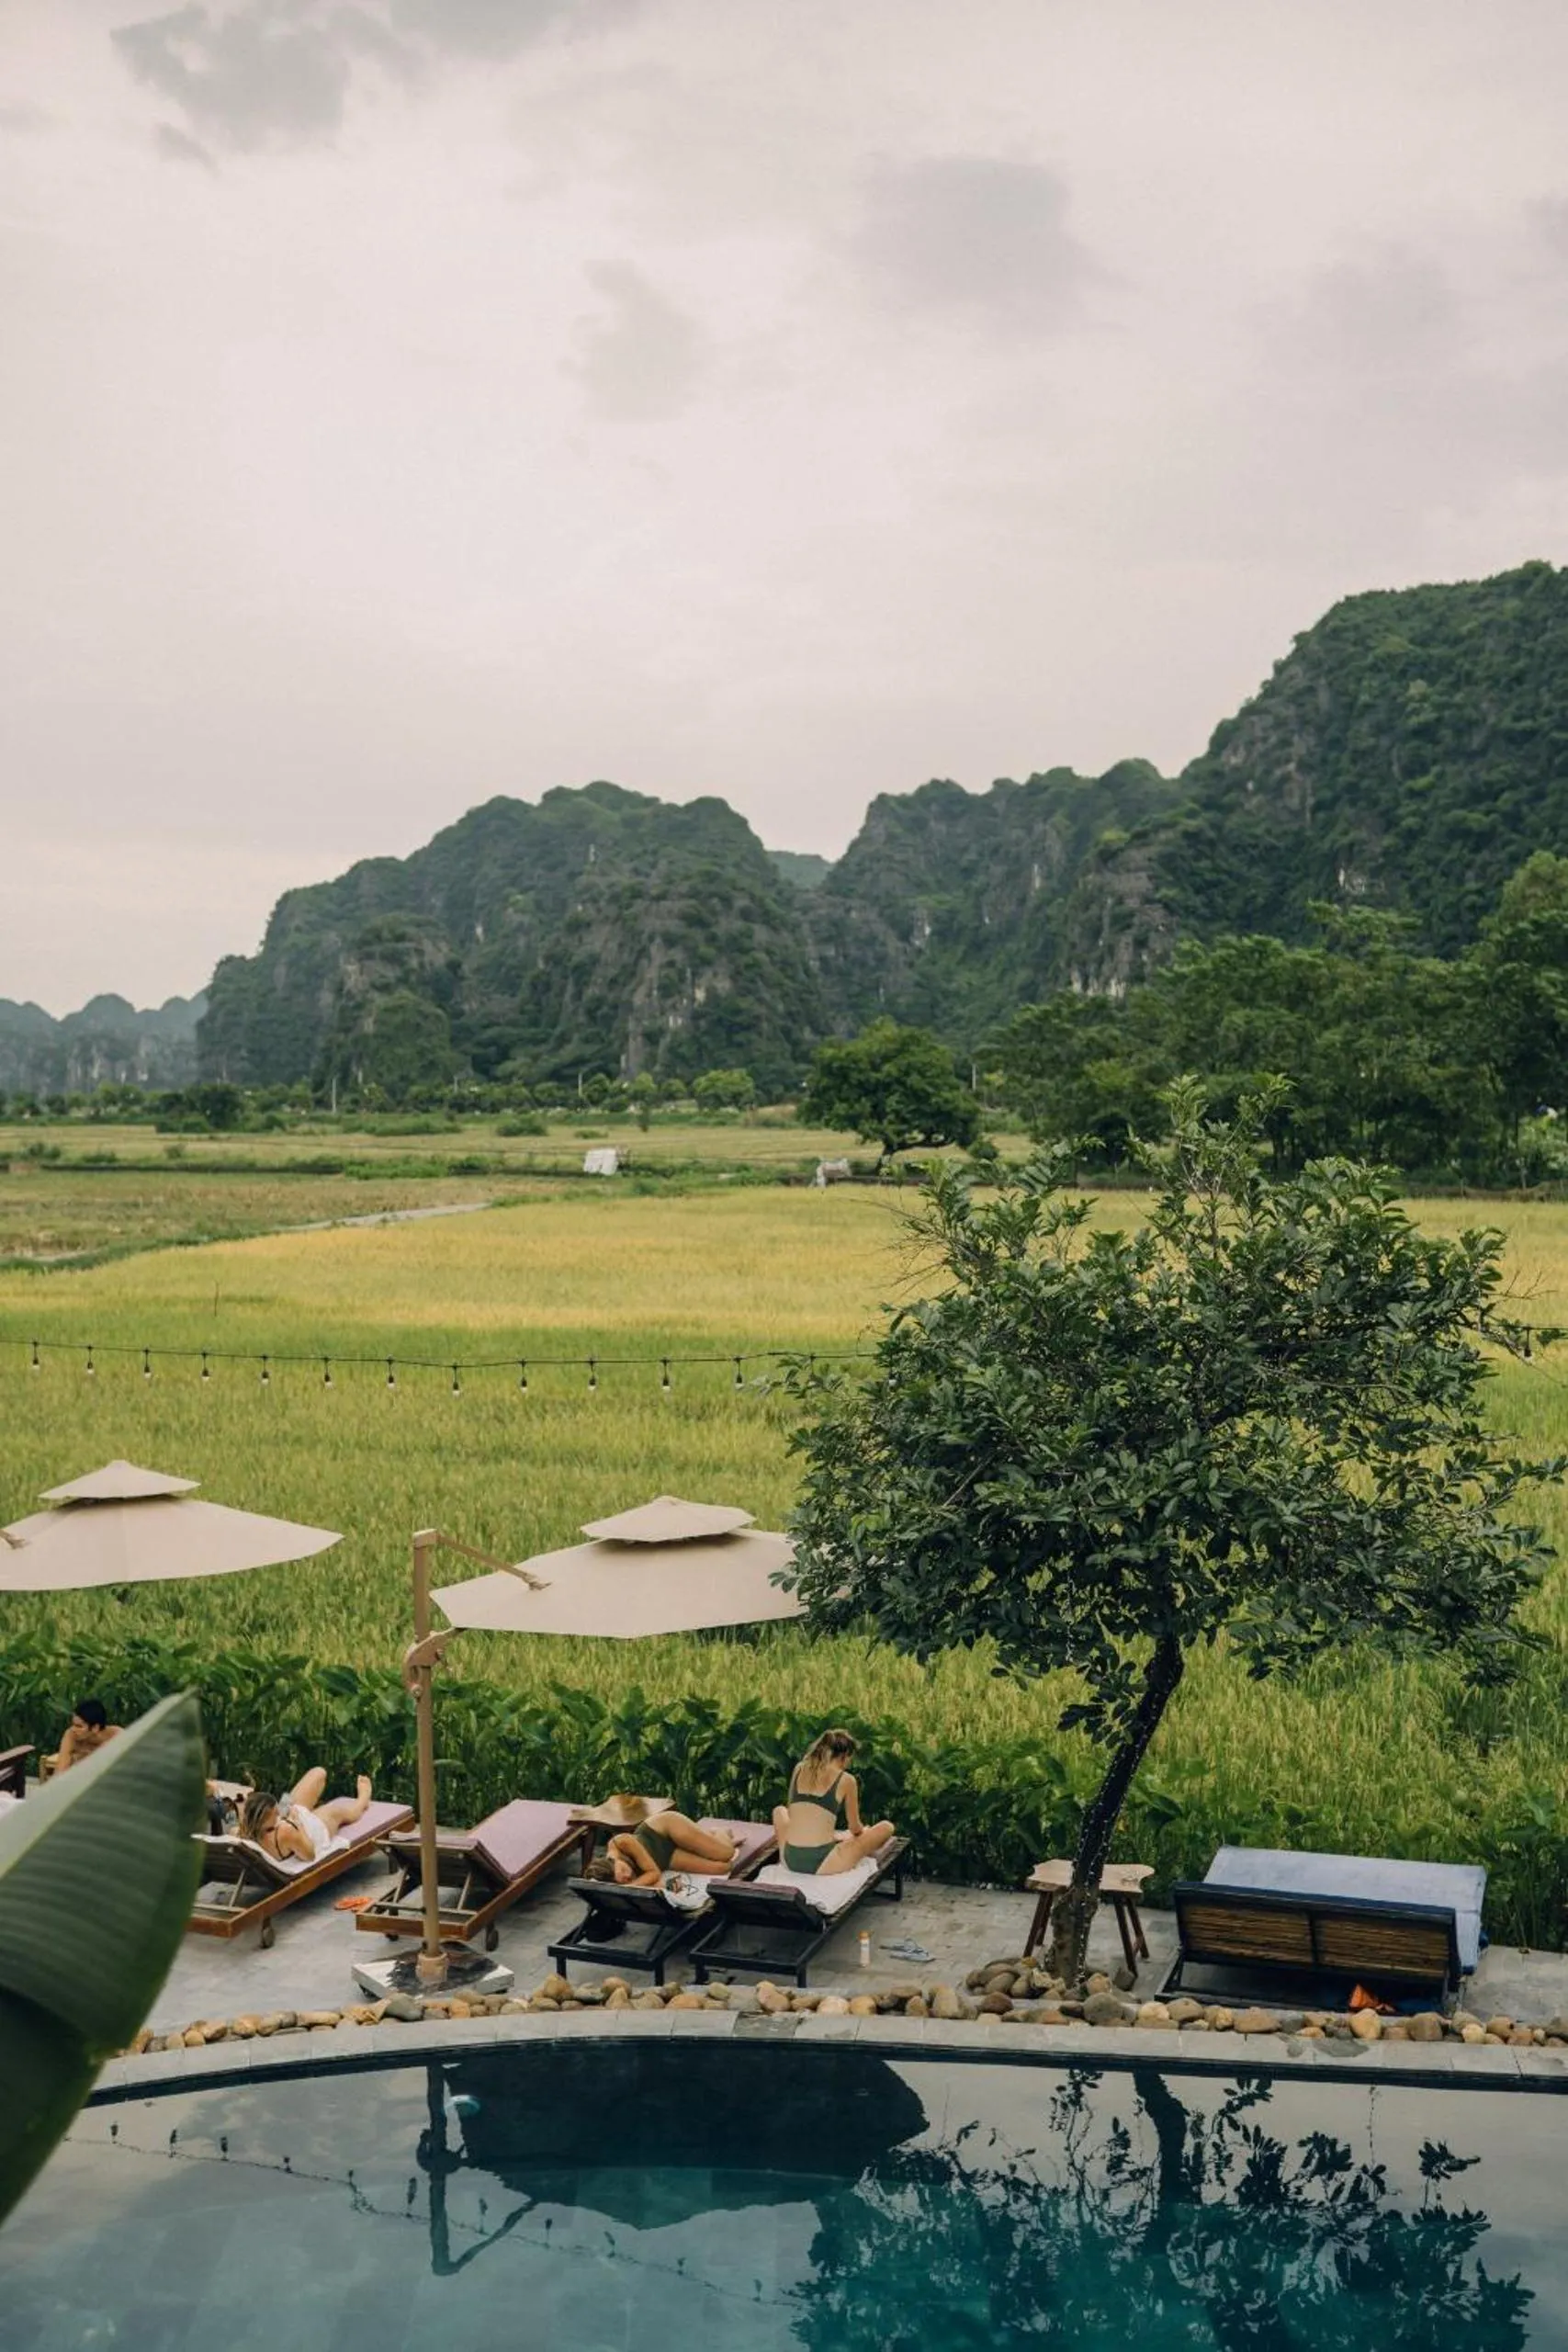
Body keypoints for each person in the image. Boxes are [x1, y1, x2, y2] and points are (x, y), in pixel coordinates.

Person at [773, 1728, 894, 1876]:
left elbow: (791, 1813)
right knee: (887, 1827)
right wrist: (862, 1834)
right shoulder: (847, 1780)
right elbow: (855, 1828)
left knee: (779, 1811)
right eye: (850, 1758)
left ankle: (828, 1839)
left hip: (790, 1858)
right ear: (844, 1755)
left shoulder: (799, 1768)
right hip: (822, 1862)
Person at [587, 1798, 739, 1887]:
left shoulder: (621, 1842)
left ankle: (720, 1832)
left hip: (665, 1829)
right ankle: (705, 1839)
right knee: (723, 1867)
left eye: (623, 1871)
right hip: (666, 1857)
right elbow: (659, 1885)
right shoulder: (618, 1878)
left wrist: (630, 1887)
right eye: (624, 1880)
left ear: (612, 1860)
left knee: (726, 1853)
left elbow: (653, 1873)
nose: (628, 1875)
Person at [241, 1770, 373, 1864]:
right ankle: (364, 1798)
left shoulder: (244, 1828)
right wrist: (297, 1824)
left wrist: (284, 1811)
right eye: (276, 1812)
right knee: (342, 1813)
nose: (278, 1813)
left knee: (319, 1773)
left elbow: (273, 1814)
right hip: (310, 1828)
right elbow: (310, 1855)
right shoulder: (286, 1832)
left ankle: (287, 1806)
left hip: (288, 1815)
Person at [47, 1697, 120, 1775]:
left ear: (95, 1728)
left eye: (79, 1726)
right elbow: (60, 1770)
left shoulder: (118, 1736)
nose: (73, 1729)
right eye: (73, 1725)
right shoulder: (71, 1734)